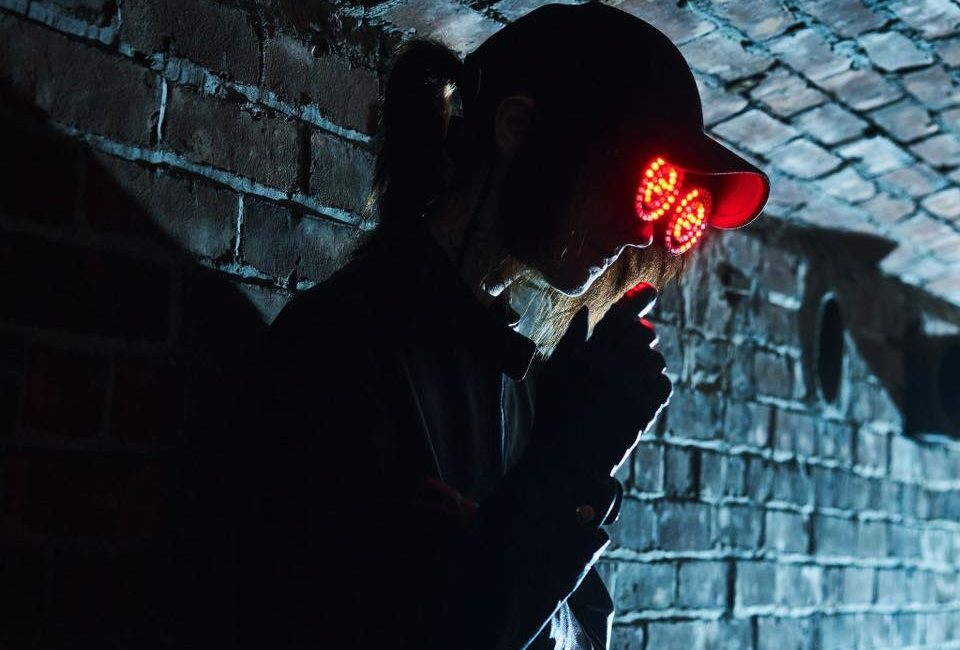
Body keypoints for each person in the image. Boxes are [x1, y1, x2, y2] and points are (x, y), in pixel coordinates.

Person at [232, 3, 769, 649]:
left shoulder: (519, 384)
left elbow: (575, 633)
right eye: (630, 183)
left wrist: (521, 511)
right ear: (517, 128)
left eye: (660, 208)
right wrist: (570, 466)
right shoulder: (343, 346)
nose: (638, 231)